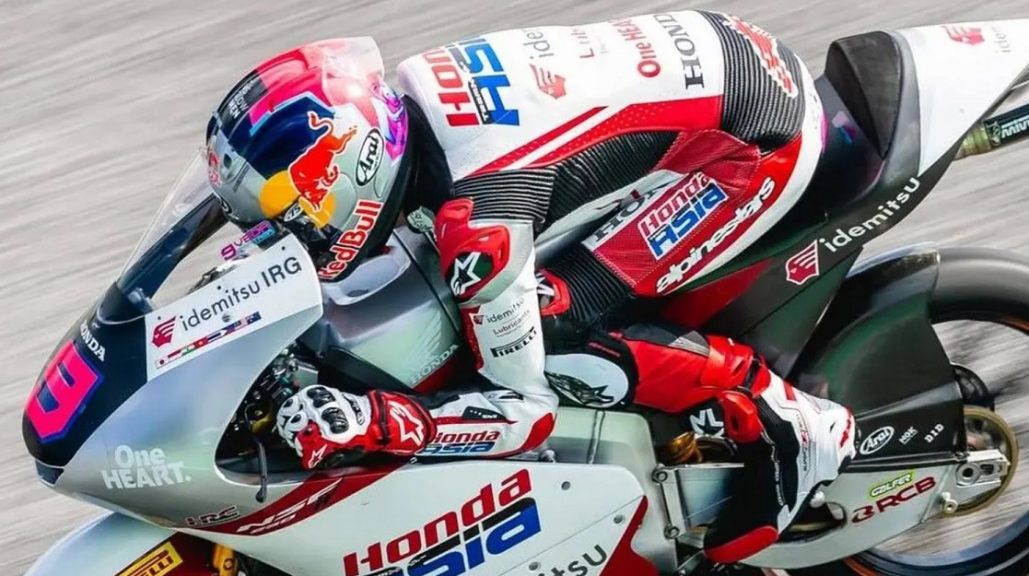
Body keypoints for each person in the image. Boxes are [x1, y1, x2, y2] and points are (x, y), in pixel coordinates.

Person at [204, 11, 856, 564]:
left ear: (353, 166)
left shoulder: (480, 215)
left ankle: (783, 416)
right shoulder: (400, 99)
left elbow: (526, 413)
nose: (273, 228)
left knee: (552, 329)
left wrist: (374, 420)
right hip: (727, 56)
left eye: (285, 205)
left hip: (752, 148)